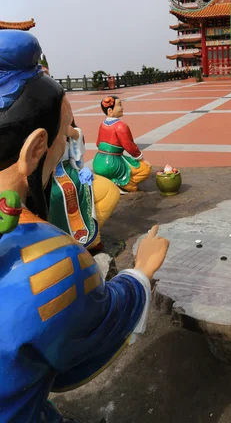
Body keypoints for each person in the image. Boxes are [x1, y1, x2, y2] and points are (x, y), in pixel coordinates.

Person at [0, 30, 169, 422]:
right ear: (36, 148)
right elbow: (88, 343)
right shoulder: (49, 260)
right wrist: (141, 273)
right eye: (62, 136)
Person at [49, 121, 120, 252]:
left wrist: (74, 134)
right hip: (48, 179)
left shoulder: (64, 127)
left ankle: (92, 235)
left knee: (110, 191)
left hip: (71, 172)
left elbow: (76, 158)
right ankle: (61, 245)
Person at [93, 96, 152, 192]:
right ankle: (123, 184)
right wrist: (141, 159)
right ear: (110, 111)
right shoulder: (121, 126)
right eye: (119, 105)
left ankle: (111, 180)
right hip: (112, 163)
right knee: (146, 169)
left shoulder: (102, 124)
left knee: (125, 164)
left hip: (97, 162)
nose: (122, 108)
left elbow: (97, 143)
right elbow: (130, 147)